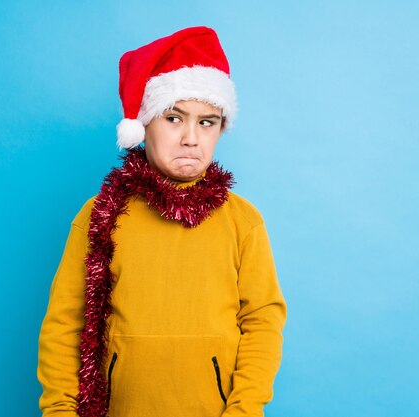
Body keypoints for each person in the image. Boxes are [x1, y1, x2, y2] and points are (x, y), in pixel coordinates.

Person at [37, 26, 287, 417]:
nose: (191, 138)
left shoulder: (243, 221)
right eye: (174, 118)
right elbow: (66, 321)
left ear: (222, 128)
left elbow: (262, 323)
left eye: (207, 121)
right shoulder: (101, 212)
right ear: (144, 124)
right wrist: (60, 410)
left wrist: (245, 409)